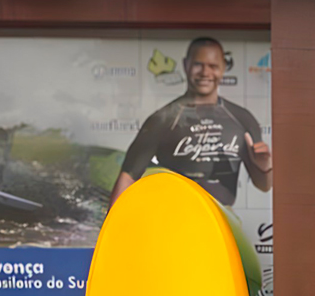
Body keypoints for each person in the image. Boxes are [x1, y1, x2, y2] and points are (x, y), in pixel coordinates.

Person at [113, 37, 270, 208]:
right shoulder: (162, 119)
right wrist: (112, 228)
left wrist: (265, 167)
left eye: (213, 66)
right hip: (176, 220)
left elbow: (264, 185)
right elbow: (128, 176)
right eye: (198, 64)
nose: (205, 72)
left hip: (223, 224)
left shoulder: (242, 118)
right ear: (185, 65)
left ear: (223, 68)